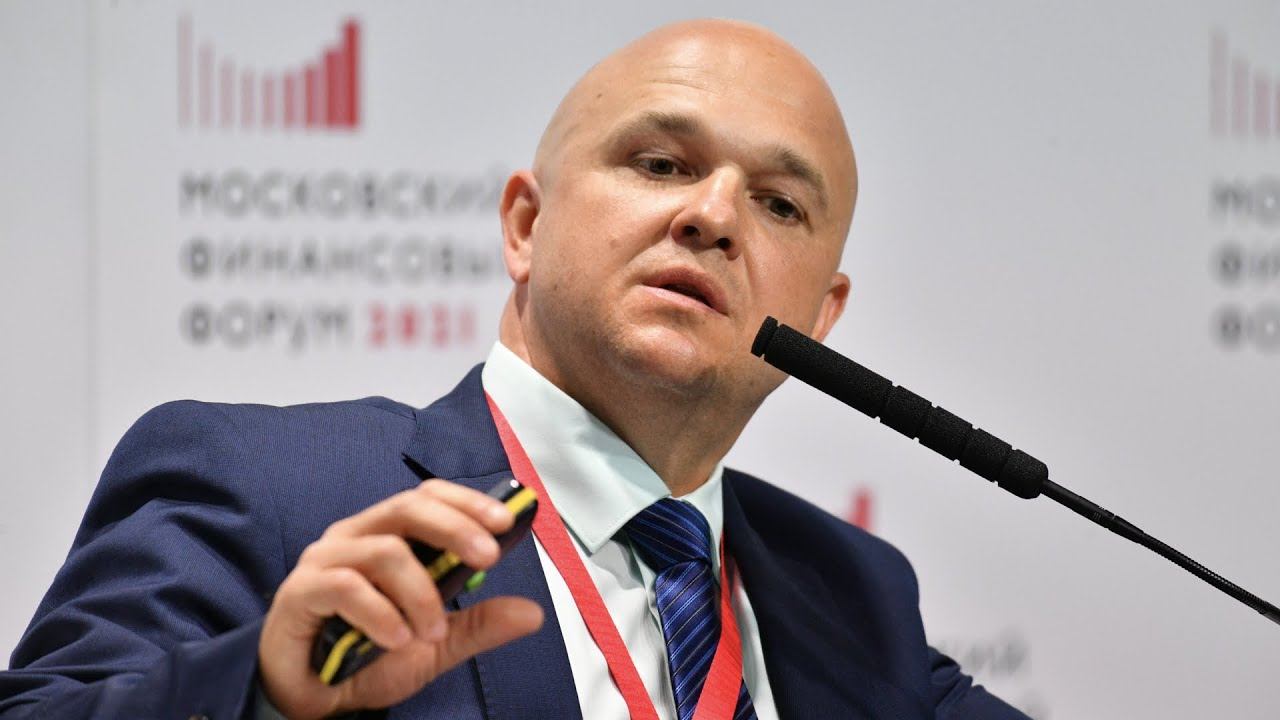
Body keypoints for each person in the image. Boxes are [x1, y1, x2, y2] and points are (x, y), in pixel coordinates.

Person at [0, 18, 1029, 720]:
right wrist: (262, 693)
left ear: (820, 318)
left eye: (779, 204)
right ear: (526, 226)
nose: (714, 215)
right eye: (661, 164)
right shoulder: (265, 483)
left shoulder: (852, 594)